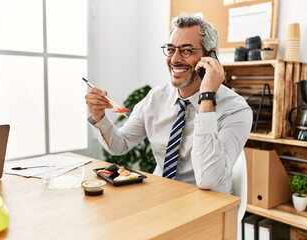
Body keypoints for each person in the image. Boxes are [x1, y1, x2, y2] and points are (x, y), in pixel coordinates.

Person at [85, 15, 252, 194]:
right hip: (161, 194)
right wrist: (98, 116)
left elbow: (208, 180)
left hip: (207, 203)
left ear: (210, 56)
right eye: (171, 49)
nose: (174, 60)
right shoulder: (155, 98)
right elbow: (121, 144)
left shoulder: (236, 110)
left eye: (186, 50)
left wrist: (207, 97)